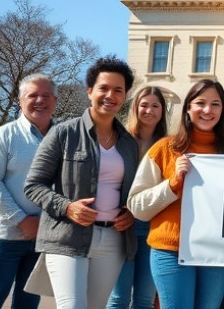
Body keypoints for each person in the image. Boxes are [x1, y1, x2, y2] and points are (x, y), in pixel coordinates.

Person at [24, 56, 139, 309]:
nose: (110, 95)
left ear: (124, 96)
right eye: (103, 88)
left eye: (118, 90)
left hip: (113, 241)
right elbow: (33, 185)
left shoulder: (129, 144)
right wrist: (68, 207)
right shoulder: (63, 132)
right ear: (89, 92)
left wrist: (130, 213)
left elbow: (132, 192)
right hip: (67, 237)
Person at [127, 79, 224, 309]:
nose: (208, 110)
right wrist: (173, 184)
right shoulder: (164, 149)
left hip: (215, 251)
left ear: (222, 111)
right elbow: (137, 206)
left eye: (215, 104)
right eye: (200, 103)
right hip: (171, 250)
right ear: (188, 107)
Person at [0, 74, 57, 309]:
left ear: (55, 100)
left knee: (29, 303)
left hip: (43, 237)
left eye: (46, 95)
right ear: (20, 101)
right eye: (32, 95)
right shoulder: (3, 136)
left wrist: (45, 223)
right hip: (3, 237)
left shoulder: (63, 137)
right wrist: (22, 220)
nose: (40, 100)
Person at [107, 87, 168, 309]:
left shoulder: (169, 146)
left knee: (144, 300)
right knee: (118, 298)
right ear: (135, 108)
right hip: (122, 228)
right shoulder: (120, 141)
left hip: (154, 230)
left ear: (162, 111)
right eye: (144, 105)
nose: (149, 110)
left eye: (155, 105)